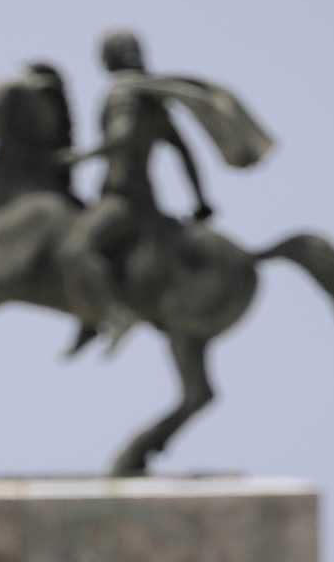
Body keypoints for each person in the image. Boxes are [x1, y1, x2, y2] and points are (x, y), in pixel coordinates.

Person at [58, 28, 273, 348]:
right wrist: (201, 200)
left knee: (74, 249)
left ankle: (112, 314)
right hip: (148, 202)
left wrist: (81, 157)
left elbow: (122, 136)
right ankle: (91, 316)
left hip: (122, 198)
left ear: (109, 59)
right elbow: (183, 152)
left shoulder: (123, 93)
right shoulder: (154, 100)